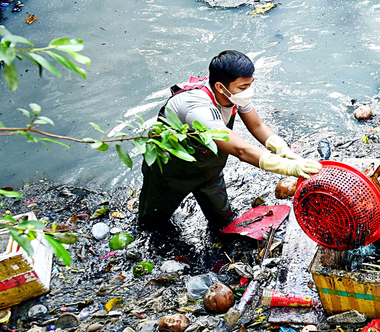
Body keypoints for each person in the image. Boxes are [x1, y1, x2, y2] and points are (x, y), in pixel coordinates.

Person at [137, 50, 320, 230]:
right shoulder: (197, 108)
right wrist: (288, 167)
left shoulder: (235, 93)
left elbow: (256, 125)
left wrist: (282, 149)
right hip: (170, 174)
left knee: (224, 222)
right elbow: (241, 150)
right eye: (243, 87)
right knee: (152, 225)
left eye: (250, 84)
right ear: (219, 87)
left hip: (209, 172)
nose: (248, 91)